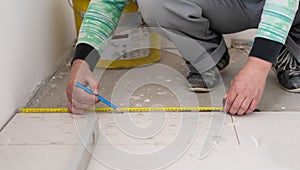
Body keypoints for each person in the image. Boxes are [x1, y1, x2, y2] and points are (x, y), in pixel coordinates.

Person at [66, 0, 300, 115]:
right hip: (223, 6)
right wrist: (82, 63)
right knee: (155, 3)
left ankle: (285, 47)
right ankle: (207, 54)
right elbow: (109, 1)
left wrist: (258, 64)